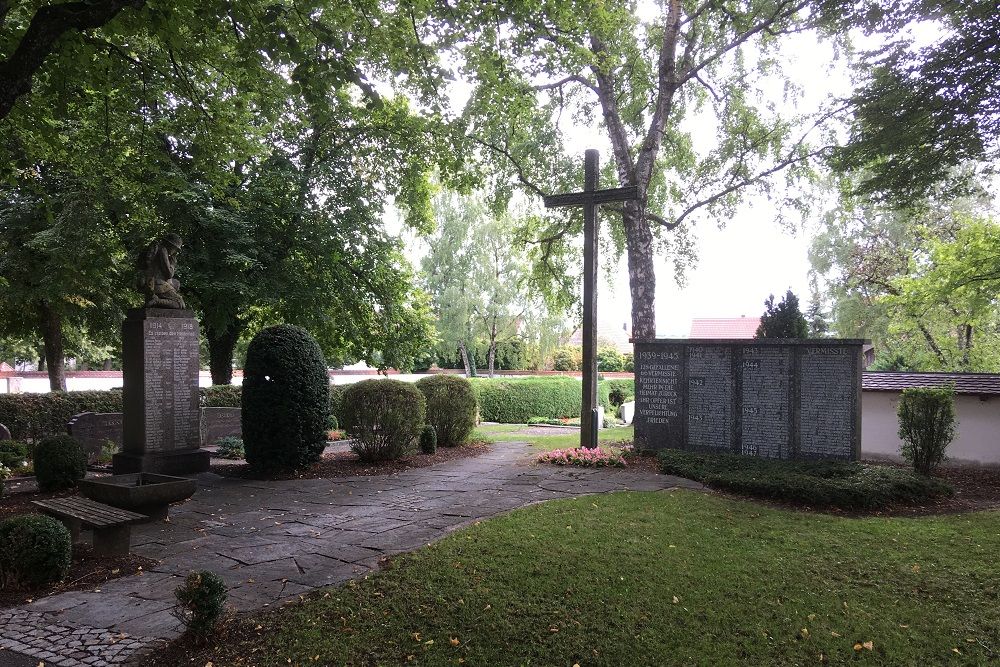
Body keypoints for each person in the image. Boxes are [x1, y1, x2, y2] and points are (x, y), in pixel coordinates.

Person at [140, 233, 185, 309]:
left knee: (176, 283)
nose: (175, 252)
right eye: (175, 249)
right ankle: (156, 301)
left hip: (151, 282)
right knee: (180, 303)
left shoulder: (158, 249)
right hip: (158, 284)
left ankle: (155, 301)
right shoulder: (163, 250)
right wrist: (173, 264)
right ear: (171, 245)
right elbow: (169, 274)